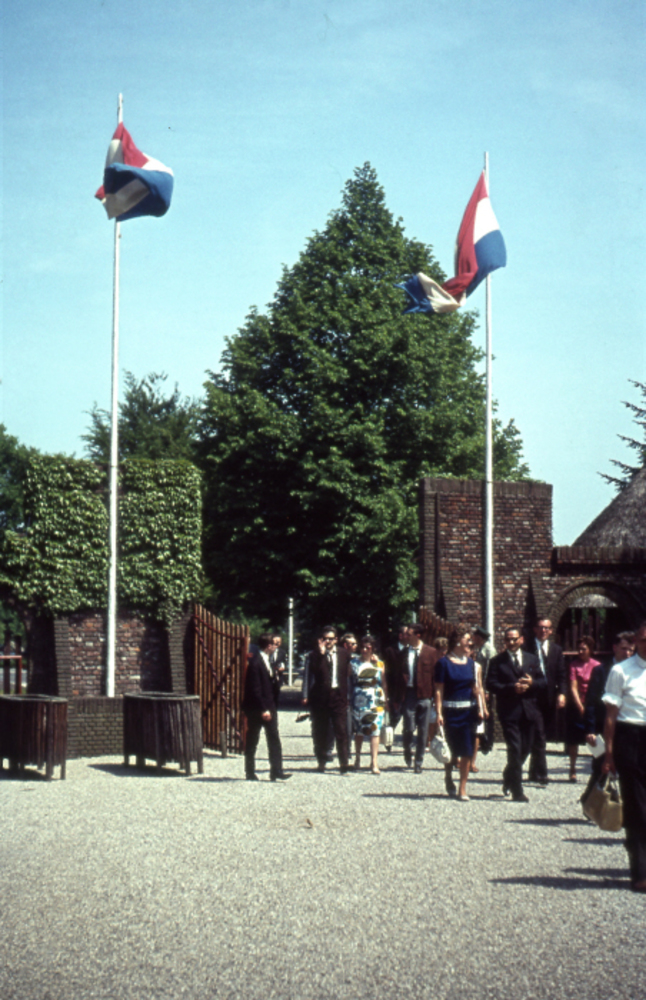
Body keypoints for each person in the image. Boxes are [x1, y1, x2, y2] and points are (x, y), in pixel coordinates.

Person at [602, 622, 646, 892]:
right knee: (638, 807)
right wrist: (608, 753)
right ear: (637, 641)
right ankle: (640, 871)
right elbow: (610, 716)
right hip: (632, 739)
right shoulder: (621, 671)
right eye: (644, 640)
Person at [487, 626, 545, 802]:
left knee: (526, 748)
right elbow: (491, 684)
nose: (511, 642)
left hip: (529, 711)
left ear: (521, 639)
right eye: (508, 639)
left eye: (514, 639)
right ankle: (517, 790)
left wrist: (532, 683)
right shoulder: (497, 661)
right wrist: (512, 688)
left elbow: (543, 682)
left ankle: (508, 775)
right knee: (514, 749)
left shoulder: (532, 659)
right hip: (509, 712)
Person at [435, 625, 482, 800]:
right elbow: (438, 689)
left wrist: (481, 708)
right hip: (450, 712)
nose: (470, 643)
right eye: (467, 639)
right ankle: (448, 775)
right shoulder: (443, 663)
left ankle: (463, 787)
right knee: (451, 750)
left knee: (467, 750)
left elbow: (475, 688)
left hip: (468, 712)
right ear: (457, 641)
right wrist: (438, 713)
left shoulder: (471, 664)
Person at [585, 632, 635, 779]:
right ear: (615, 648)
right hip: (603, 727)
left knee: (630, 771)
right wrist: (590, 730)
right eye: (624, 649)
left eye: (631, 650)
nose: (627, 653)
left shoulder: (637, 672)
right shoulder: (601, 671)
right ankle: (595, 793)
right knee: (600, 770)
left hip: (628, 728)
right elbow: (591, 701)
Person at [242, 633, 290, 781]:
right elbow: (255, 689)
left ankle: (276, 770)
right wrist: (263, 709)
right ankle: (250, 771)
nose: (276, 647)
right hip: (258, 708)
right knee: (253, 739)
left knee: (274, 738)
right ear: (269, 646)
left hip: (270, 705)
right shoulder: (256, 663)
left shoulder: (268, 660)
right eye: (274, 644)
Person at [525, 618, 566, 785]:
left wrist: (562, 693)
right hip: (531, 697)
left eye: (547, 628)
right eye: (541, 627)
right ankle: (542, 773)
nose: (543, 631)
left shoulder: (556, 650)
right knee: (539, 734)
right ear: (535, 629)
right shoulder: (527, 648)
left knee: (540, 734)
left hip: (548, 698)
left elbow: (561, 674)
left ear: (551, 631)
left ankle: (533, 771)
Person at [308, 626, 352, 773]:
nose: (328, 641)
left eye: (331, 639)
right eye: (325, 639)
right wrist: (321, 655)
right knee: (321, 731)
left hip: (338, 697)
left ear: (336, 640)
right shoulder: (314, 655)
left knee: (341, 731)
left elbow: (348, 673)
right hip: (321, 698)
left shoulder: (344, 653)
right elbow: (313, 672)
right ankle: (321, 761)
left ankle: (344, 763)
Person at [398, 623, 438, 773]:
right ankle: (407, 749)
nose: (405, 637)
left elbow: (436, 676)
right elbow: (397, 675)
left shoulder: (431, 652)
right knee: (409, 727)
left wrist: (435, 698)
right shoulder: (403, 653)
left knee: (423, 729)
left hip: (425, 695)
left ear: (418, 635)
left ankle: (418, 761)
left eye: (409, 634)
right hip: (409, 694)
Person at [350, 635, 388, 774]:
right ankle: (357, 758)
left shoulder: (379, 664)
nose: (364, 650)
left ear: (373, 648)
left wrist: (386, 699)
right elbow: (348, 680)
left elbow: (383, 683)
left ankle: (374, 762)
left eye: (368, 647)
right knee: (359, 730)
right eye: (362, 647)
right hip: (358, 698)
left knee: (375, 730)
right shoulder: (353, 663)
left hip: (375, 698)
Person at [566, 634, 600, 782]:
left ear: (590, 649)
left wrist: (591, 707)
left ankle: (598, 769)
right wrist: (580, 706)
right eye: (578, 649)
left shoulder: (597, 666)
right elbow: (573, 687)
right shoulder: (573, 665)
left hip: (593, 705)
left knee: (595, 738)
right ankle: (572, 768)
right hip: (577, 705)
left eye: (583, 649)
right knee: (573, 740)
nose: (580, 652)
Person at [470, 627, 494, 771]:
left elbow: (488, 673)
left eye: (475, 637)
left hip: (484, 689)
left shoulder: (488, 650)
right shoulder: (481, 649)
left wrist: (487, 690)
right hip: (480, 688)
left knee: (486, 717)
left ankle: (487, 742)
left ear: (480, 637)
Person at [383, 625, 409, 751]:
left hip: (409, 690)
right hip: (394, 690)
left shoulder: (412, 651)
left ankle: (407, 744)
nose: (409, 636)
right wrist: (387, 692)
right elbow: (386, 672)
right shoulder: (390, 651)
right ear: (400, 636)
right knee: (395, 716)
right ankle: (388, 738)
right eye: (407, 634)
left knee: (409, 719)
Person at [270, 632, 287, 705]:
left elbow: (284, 663)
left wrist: (283, 668)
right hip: (268, 677)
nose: (277, 643)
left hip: (277, 678)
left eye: (279, 642)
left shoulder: (282, 652)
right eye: (276, 641)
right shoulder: (268, 651)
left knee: (276, 696)